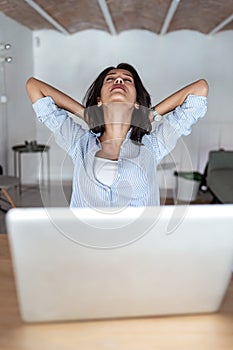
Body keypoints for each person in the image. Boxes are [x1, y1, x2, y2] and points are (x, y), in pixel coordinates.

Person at [26, 63, 208, 208]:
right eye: (110, 79)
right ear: (99, 100)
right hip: (87, 247)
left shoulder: (153, 145)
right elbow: (34, 87)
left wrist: (149, 115)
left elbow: (199, 90)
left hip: (139, 248)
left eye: (127, 80)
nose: (119, 81)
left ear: (137, 102)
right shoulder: (79, 143)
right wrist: (86, 114)